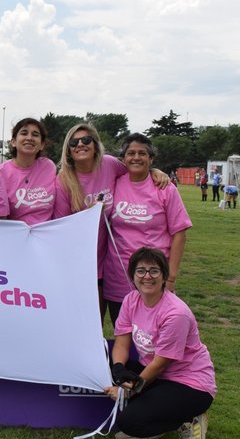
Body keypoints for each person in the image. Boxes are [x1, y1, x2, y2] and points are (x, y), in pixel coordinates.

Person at [105, 248, 215, 439]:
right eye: (141, 271)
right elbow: (121, 342)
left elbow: (160, 363)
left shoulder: (176, 314)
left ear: (164, 276)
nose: (147, 276)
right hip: (156, 375)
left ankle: (189, 419)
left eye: (154, 271)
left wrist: (127, 391)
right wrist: (119, 368)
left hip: (187, 383)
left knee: (130, 423)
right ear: (132, 276)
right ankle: (154, 408)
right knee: (103, 358)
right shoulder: (131, 300)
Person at [53, 123, 168, 317]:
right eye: (74, 142)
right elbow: (60, 230)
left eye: (86, 140)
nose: (81, 144)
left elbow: (136, 168)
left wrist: (155, 171)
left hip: (108, 262)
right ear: (69, 150)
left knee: (127, 319)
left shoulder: (109, 164)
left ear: (96, 145)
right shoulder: (64, 180)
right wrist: (85, 217)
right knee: (89, 321)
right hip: (80, 263)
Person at [103, 133, 191, 324]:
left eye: (142, 153)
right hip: (118, 276)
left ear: (151, 158)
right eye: (131, 153)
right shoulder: (114, 183)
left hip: (153, 277)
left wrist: (171, 278)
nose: (136, 157)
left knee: (152, 339)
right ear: (123, 158)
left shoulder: (165, 188)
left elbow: (179, 234)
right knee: (123, 335)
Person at [0, 118, 56, 224]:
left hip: (47, 235)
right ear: (14, 142)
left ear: (42, 144)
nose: (29, 138)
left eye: (35, 134)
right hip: (16, 236)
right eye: (24, 133)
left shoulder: (49, 167)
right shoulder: (0, 173)